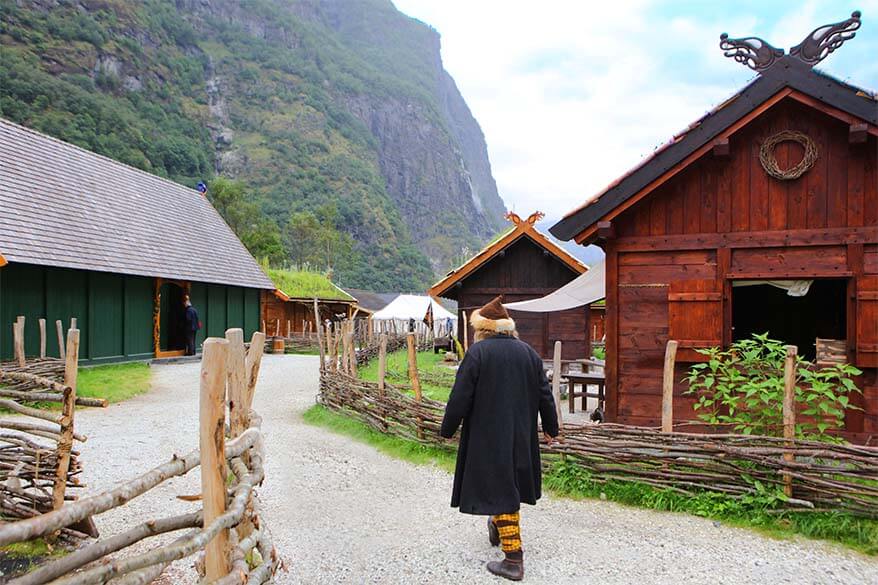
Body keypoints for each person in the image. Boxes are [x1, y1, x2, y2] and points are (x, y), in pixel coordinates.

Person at [440, 296, 559, 581]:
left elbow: (460, 397)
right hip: (520, 435)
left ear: (483, 329)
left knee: (502, 490)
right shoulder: (528, 353)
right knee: (507, 485)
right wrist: (550, 428)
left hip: (487, 435)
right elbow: (545, 394)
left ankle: (513, 559)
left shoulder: (478, 354)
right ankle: (497, 524)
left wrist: (447, 429)